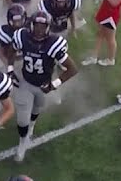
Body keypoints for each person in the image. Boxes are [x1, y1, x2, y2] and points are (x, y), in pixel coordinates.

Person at [10, 10, 79, 161]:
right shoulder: (22, 37)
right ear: (31, 25)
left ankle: (32, 126)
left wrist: (54, 85)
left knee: (36, 109)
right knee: (22, 119)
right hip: (25, 82)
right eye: (37, 25)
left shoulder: (53, 44)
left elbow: (72, 69)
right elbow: (12, 50)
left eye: (43, 26)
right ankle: (22, 142)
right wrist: (10, 69)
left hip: (43, 85)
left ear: (48, 27)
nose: (39, 29)